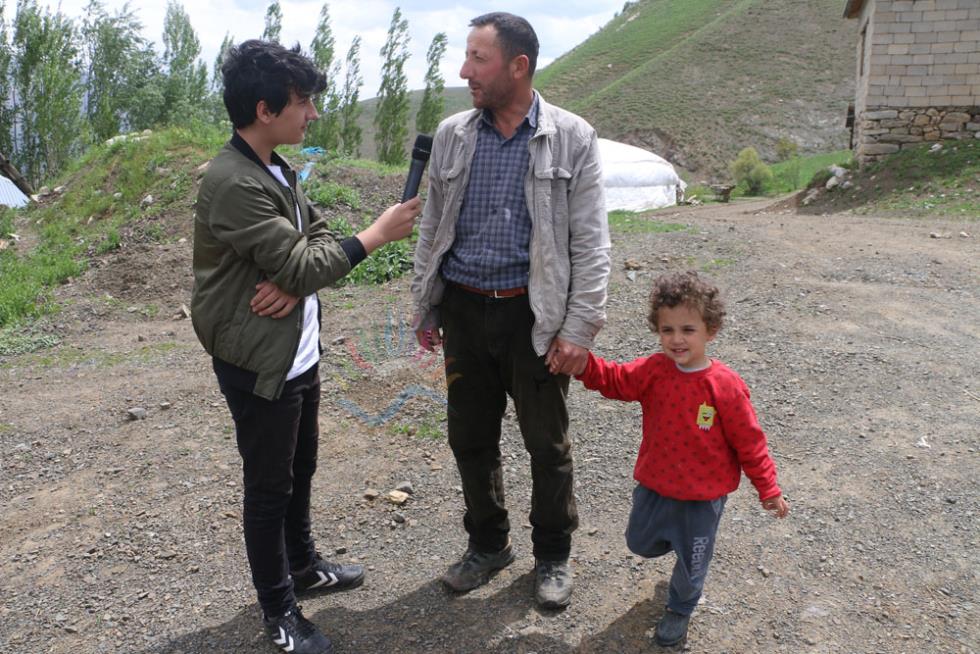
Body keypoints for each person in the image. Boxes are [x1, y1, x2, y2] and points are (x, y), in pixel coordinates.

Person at [191, 40, 420, 654]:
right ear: (265, 110)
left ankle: (302, 565)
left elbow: (312, 240)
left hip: (296, 350)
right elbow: (304, 259)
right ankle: (279, 611)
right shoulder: (232, 181)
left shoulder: (274, 167)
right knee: (269, 489)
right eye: (303, 102)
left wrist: (295, 280)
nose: (312, 113)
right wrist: (374, 236)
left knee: (300, 468)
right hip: (259, 359)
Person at [411, 12, 610, 609]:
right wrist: (426, 303)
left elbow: (591, 243)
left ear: (518, 66)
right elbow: (431, 225)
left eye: (479, 59)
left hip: (533, 318)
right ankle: (488, 545)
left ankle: (553, 554)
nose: (465, 71)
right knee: (469, 438)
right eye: (467, 56)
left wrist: (579, 328)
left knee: (546, 445)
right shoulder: (453, 134)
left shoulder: (572, 137)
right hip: (464, 312)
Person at [571, 271, 790, 647]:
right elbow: (615, 379)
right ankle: (678, 540)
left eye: (688, 330)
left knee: (692, 564)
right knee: (639, 542)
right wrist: (582, 365)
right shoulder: (653, 370)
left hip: (702, 499)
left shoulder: (725, 386)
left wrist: (768, 488)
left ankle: (680, 606)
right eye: (667, 329)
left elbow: (750, 443)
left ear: (710, 330)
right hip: (655, 484)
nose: (676, 339)